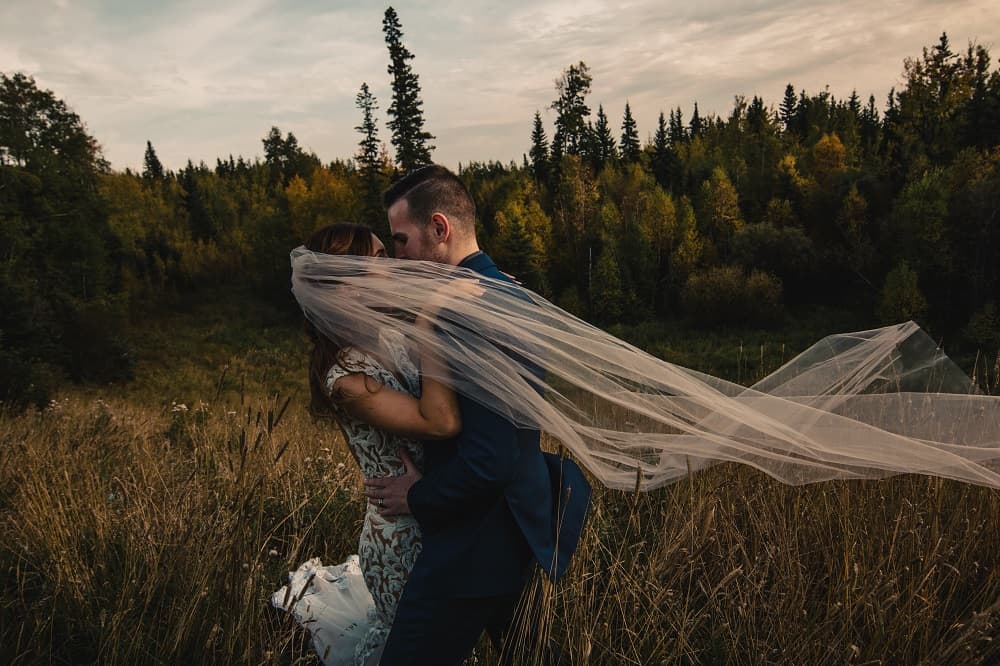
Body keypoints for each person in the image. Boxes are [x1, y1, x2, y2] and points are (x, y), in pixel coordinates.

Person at [363, 165, 591, 665]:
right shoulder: (502, 288)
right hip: (513, 528)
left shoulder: (468, 311)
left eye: (401, 240)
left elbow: (492, 458)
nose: (397, 257)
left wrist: (418, 496)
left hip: (474, 545)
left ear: (439, 229)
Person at [273, 222, 476, 665]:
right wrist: (429, 320)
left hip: (434, 509)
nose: (393, 264)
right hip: (401, 536)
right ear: (346, 282)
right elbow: (438, 420)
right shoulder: (345, 379)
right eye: (378, 258)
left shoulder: (389, 336)